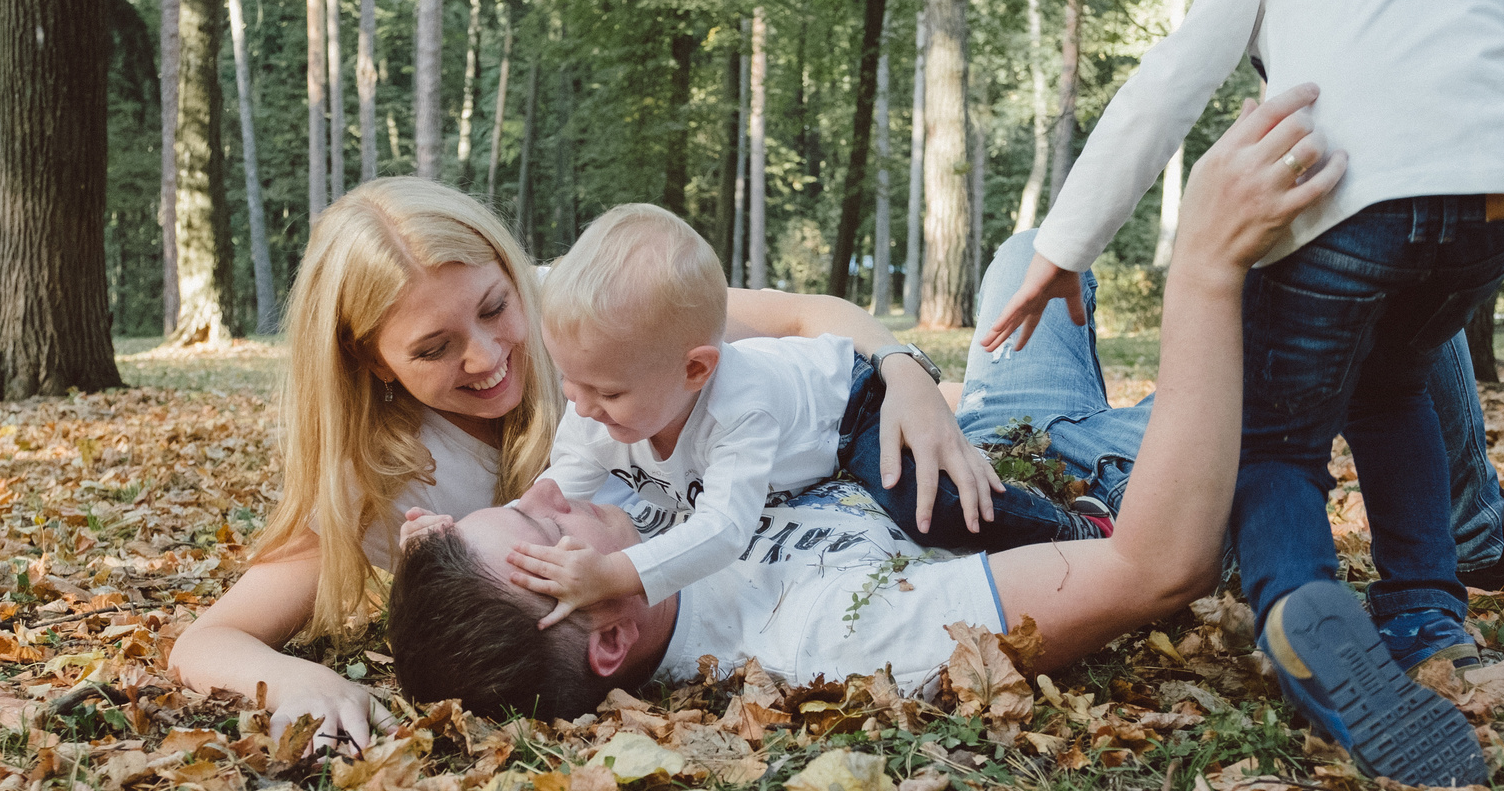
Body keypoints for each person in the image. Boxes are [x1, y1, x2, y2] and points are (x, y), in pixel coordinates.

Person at [394, 87, 1354, 718]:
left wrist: (905, 375)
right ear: (609, 635)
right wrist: (1204, 267)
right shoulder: (817, 636)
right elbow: (1153, 566)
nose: (553, 491)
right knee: (1340, 271)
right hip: (1094, 476)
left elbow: (783, 330)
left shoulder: (618, 497)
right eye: (536, 526)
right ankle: (1465, 523)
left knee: (1027, 256)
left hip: (966, 420)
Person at [980, 0, 1504, 785]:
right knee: (1393, 386)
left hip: (1358, 195)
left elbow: (1172, 79)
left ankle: (1299, 602)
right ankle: (1431, 617)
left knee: (1270, 437)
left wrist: (1065, 239)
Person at [166, 176, 1004, 751]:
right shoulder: (385, 480)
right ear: (375, 365)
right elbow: (208, 638)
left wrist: (908, 375)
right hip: (816, 538)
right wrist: (294, 682)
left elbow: (803, 319)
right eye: (434, 347)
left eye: (495, 307)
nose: (490, 355)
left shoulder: (582, 322)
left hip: (869, 435)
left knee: (1015, 394)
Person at [508, 205, 1103, 628]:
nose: (582, 406)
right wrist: (483, 528)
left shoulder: (741, 405)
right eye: (570, 381)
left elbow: (723, 529)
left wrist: (615, 576)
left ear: (695, 371)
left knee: (928, 505)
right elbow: (558, 485)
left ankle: (1077, 529)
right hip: (797, 432)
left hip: (846, 407)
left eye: (607, 394)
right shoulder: (596, 399)